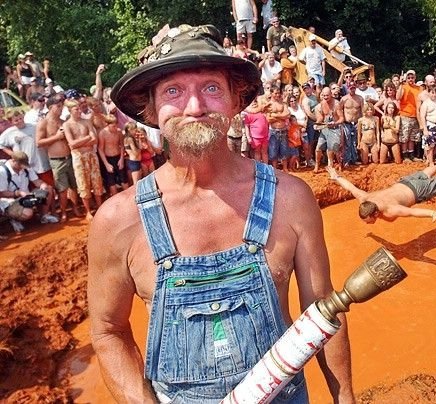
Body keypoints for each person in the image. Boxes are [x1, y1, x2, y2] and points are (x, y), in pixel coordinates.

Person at [89, 24, 354, 403]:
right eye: (173, 92)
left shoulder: (290, 198)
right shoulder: (119, 221)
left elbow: (324, 311)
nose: (195, 107)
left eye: (211, 88)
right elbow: (108, 331)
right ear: (151, 109)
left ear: (235, 99)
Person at [326, 163, 436, 223]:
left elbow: (412, 213)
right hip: (404, 182)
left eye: (370, 221)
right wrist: (336, 177)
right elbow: (349, 187)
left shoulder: (390, 210)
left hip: (416, 191)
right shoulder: (364, 198)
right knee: (423, 174)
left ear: (375, 213)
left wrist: (432, 213)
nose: (368, 224)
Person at [35, 93, 81, 222]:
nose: (61, 109)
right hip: (56, 160)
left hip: (70, 157)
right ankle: (64, 212)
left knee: (74, 186)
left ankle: (75, 207)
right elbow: (38, 143)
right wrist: (56, 137)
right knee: (62, 188)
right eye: (59, 106)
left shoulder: (63, 122)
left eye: (61, 106)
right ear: (50, 107)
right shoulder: (43, 123)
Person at [62, 99, 104, 221]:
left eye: (80, 108)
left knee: (97, 181)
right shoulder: (67, 125)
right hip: (78, 157)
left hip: (91, 154)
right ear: (70, 111)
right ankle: (88, 211)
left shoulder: (86, 121)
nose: (80, 111)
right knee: (82, 183)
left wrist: (80, 142)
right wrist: (86, 139)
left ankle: (100, 207)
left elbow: (95, 139)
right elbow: (72, 144)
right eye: (76, 109)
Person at [0, 151, 58, 234]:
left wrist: (43, 185)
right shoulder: (2, 172)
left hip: (26, 197)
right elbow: (1, 193)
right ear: (13, 160)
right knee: (28, 213)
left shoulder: (26, 167)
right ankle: (13, 218)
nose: (22, 167)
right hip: (10, 202)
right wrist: (18, 193)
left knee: (48, 189)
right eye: (20, 165)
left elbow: (36, 181)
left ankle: (44, 216)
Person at [97, 114, 129, 196]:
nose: (115, 128)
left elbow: (122, 146)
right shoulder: (102, 133)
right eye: (113, 126)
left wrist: (121, 159)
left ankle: (128, 198)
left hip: (118, 157)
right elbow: (100, 149)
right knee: (112, 183)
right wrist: (106, 164)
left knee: (124, 180)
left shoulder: (118, 132)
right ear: (107, 125)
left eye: (116, 125)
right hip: (108, 159)